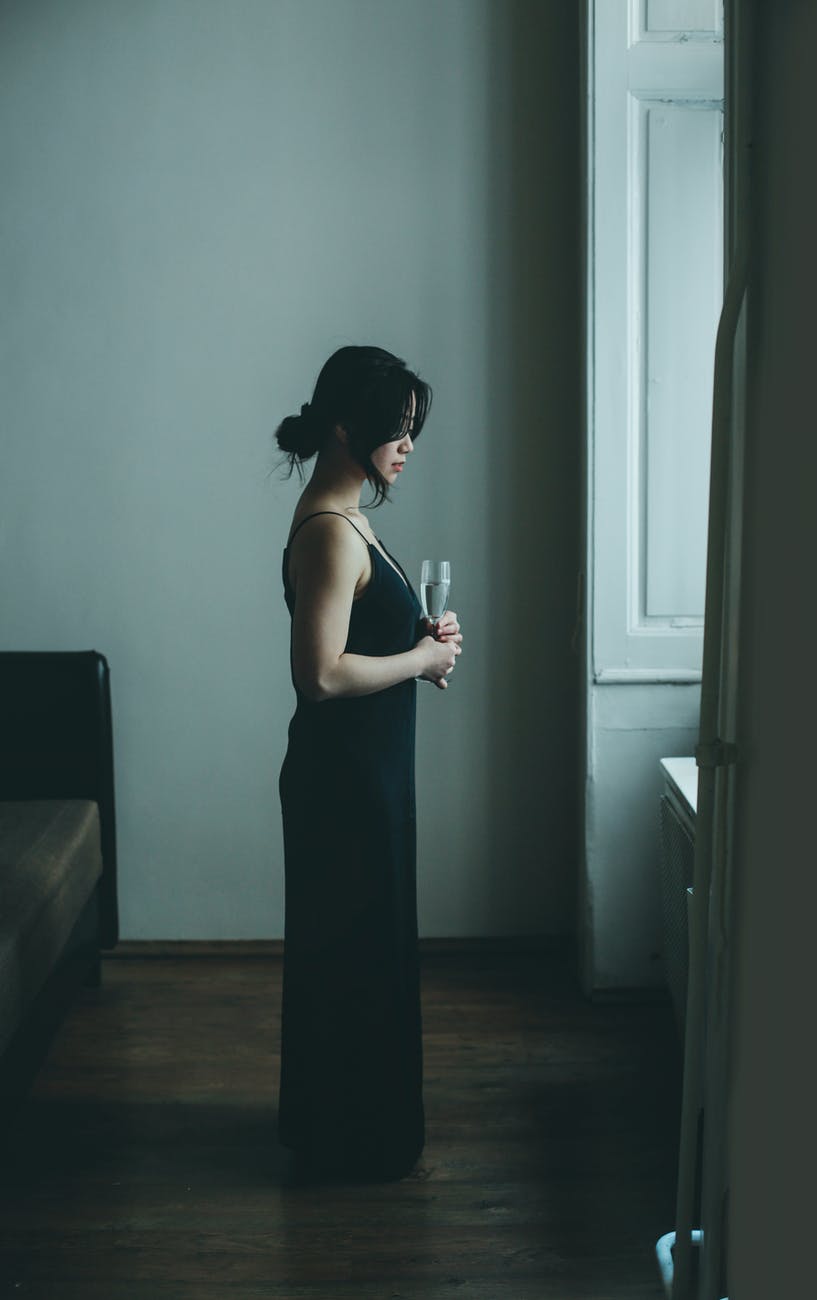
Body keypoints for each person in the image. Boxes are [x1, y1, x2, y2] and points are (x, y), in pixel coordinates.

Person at [273, 345, 463, 1183]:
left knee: (368, 952)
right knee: (350, 956)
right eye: (397, 426)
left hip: (371, 773)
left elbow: (359, 642)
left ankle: (360, 1131)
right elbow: (317, 675)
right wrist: (419, 664)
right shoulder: (326, 530)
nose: (409, 442)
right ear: (345, 425)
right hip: (342, 779)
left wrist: (418, 639)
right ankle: (345, 1142)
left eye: (415, 428)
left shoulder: (351, 518)